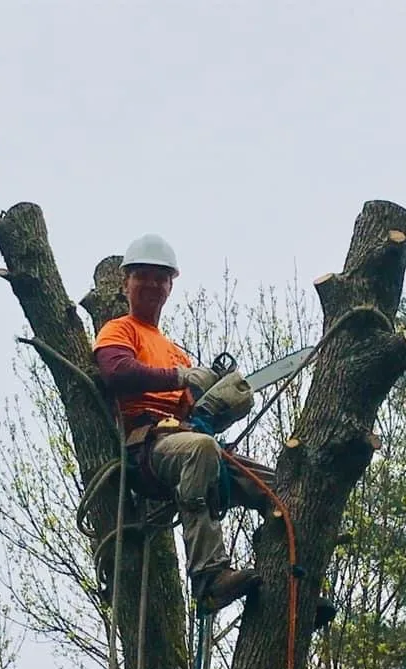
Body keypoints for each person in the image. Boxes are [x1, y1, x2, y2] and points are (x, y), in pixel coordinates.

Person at [93, 234, 275, 612]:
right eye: (143, 276)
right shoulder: (120, 329)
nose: (152, 285)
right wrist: (179, 377)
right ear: (126, 283)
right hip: (146, 447)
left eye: (160, 278)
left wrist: (212, 396)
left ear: (170, 286)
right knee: (200, 449)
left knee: (278, 485)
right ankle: (209, 577)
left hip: (183, 438)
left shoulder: (175, 351)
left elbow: (189, 414)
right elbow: (117, 371)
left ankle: (295, 585)